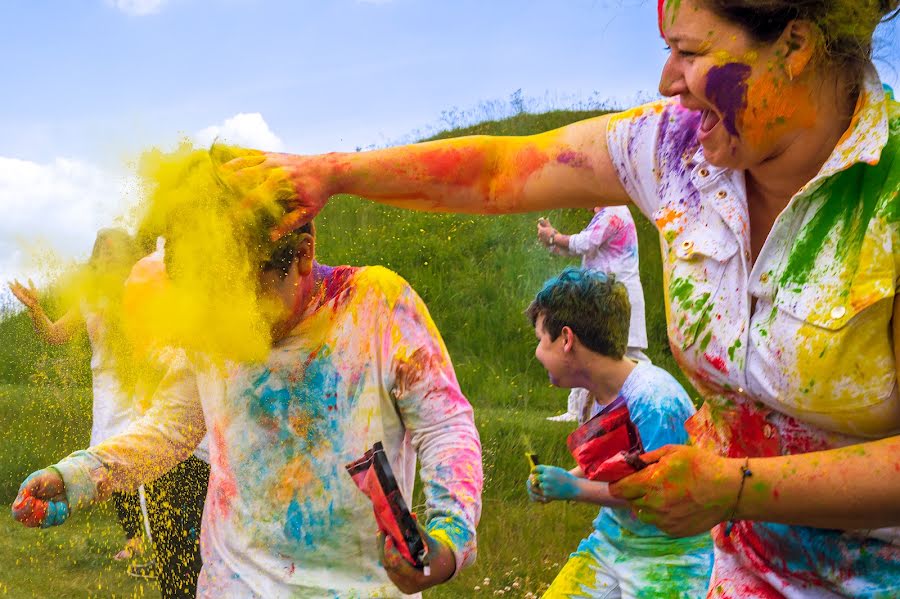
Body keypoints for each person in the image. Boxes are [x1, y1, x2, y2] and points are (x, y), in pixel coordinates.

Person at [217, 1, 900, 594]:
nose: (667, 82)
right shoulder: (673, 150)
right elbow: (505, 170)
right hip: (738, 572)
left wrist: (737, 486)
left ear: (795, 47)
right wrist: (334, 174)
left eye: (689, 53)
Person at [13, 219, 483, 598]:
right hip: (230, 582)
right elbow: (172, 429)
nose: (229, 325)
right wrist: (79, 475)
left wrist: (448, 537)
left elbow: (446, 426)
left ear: (302, 252)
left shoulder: (376, 303)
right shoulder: (210, 323)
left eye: (243, 297)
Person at [525, 268, 712, 598]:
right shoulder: (596, 391)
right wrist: (557, 480)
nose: (537, 353)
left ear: (567, 339)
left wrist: (572, 488)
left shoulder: (655, 401)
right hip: (611, 543)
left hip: (670, 560)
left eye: (541, 340)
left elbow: (654, 492)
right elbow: (614, 463)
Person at [8, 229, 153, 568]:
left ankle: (162, 539)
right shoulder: (89, 299)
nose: (107, 256)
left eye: (114, 250)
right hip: (108, 392)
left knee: (147, 462)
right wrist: (35, 310)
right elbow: (56, 334)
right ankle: (135, 540)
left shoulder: (145, 288)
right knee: (111, 464)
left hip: (143, 387)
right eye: (101, 251)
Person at [537, 207, 648, 422]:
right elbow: (583, 248)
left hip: (619, 297)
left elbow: (586, 242)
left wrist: (553, 237)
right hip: (603, 299)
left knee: (631, 355)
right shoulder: (604, 214)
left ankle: (652, 395)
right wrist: (553, 240)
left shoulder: (614, 211)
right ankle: (578, 411)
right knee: (586, 349)